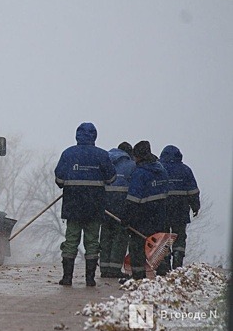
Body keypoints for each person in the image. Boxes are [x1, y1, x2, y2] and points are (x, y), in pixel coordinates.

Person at [54, 122, 116, 287]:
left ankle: (67, 278)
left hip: (73, 205)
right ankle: (90, 279)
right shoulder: (102, 155)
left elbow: (59, 179)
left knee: (71, 239)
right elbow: (111, 179)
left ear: (77, 135)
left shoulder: (68, 154)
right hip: (95, 206)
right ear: (95, 136)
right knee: (92, 241)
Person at [123, 141, 169, 280]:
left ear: (138, 156)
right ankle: (164, 274)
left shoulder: (140, 174)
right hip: (160, 215)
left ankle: (138, 276)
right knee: (158, 246)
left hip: (141, 217)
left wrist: (126, 219)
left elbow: (133, 200)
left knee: (137, 247)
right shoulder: (161, 171)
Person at [159, 145, 200, 270]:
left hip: (162, 210)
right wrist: (195, 206)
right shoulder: (186, 170)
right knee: (180, 236)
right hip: (180, 210)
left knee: (164, 236)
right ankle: (178, 259)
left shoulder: (160, 169)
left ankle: (164, 263)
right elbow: (193, 191)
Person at [99, 142, 135, 278]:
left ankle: (104, 268)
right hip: (121, 205)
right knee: (120, 237)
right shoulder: (131, 165)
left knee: (106, 235)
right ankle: (114, 269)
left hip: (104, 204)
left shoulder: (105, 161)